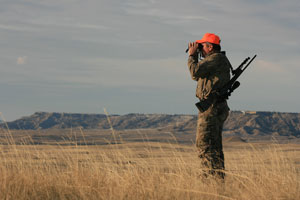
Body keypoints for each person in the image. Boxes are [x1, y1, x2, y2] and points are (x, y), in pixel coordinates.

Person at [187, 33, 231, 179]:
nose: (199, 49)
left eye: (202, 46)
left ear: (210, 47)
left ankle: (208, 178)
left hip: (211, 108)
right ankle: (217, 179)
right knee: (214, 146)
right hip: (215, 106)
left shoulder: (216, 58)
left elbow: (195, 72)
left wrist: (192, 56)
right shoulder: (216, 60)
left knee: (204, 144)